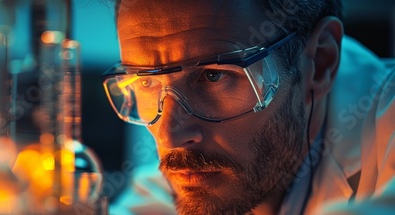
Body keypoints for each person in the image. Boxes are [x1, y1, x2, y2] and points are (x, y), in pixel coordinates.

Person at [101, 0, 395, 214]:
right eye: (145, 82)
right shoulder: (184, 177)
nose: (170, 137)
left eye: (213, 75)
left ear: (319, 62)